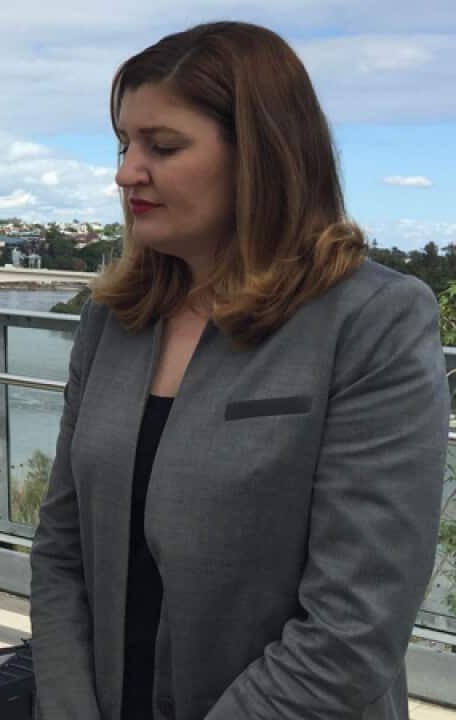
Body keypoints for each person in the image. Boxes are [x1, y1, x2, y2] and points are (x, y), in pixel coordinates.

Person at [29, 21, 448, 720]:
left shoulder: (372, 320)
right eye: (124, 143)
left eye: (162, 146)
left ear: (261, 155)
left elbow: (354, 624)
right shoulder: (115, 321)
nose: (126, 171)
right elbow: (61, 551)